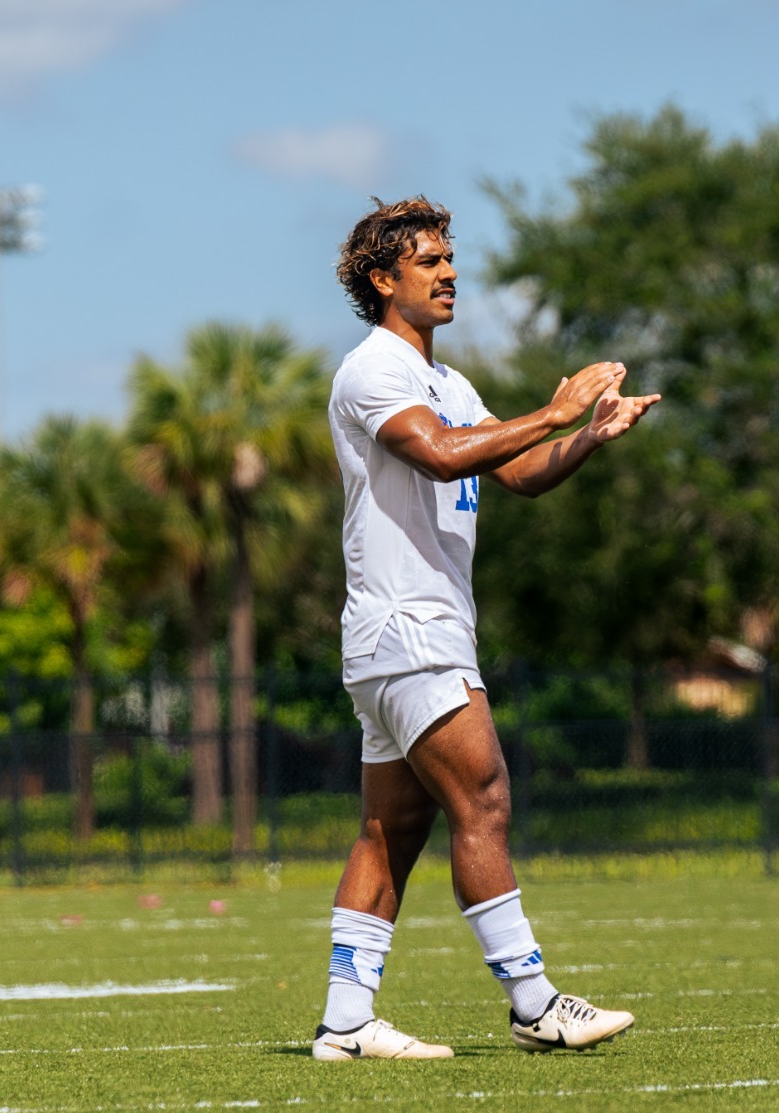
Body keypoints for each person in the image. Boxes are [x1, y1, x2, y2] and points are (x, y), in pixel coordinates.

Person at [311, 196, 661, 1061]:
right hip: (409, 628)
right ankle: (535, 1003)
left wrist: (588, 436)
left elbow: (519, 472)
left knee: (392, 831)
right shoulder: (372, 370)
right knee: (486, 796)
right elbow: (437, 453)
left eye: (448, 258)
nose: (450, 273)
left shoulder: (451, 384)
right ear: (382, 279)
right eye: (429, 261)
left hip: (406, 635)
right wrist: (555, 408)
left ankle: (345, 1021)